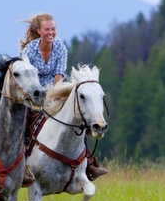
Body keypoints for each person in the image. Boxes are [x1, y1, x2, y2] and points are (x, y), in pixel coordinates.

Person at [19, 13, 107, 180]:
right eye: (47, 29)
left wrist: (52, 96)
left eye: (53, 29)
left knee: (78, 118)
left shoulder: (60, 47)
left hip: (54, 91)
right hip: (33, 94)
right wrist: (39, 97)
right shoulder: (29, 50)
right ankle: (22, 164)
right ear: (39, 31)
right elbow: (30, 78)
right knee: (24, 122)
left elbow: (59, 75)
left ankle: (88, 162)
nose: (51, 32)